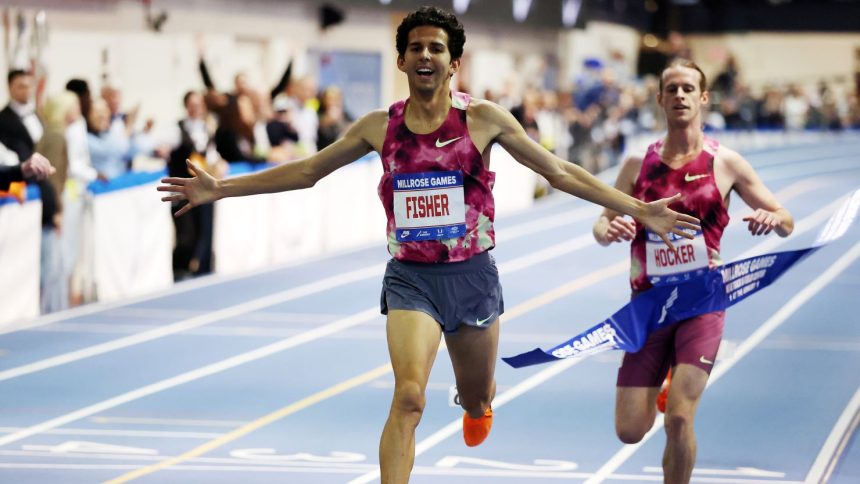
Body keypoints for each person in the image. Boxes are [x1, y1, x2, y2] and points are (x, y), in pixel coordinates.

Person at [158, 7, 698, 483]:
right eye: (415, 47)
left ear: (452, 62)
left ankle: (477, 405)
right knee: (409, 397)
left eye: (436, 48)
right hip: (410, 279)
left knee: (479, 393)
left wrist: (639, 209)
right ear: (401, 61)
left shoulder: (481, 119)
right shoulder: (379, 127)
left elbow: (558, 172)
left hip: (473, 279)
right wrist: (220, 188)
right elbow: (308, 171)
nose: (425, 54)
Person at [592, 59, 794, 484]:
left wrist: (774, 220)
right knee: (629, 431)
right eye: (672, 89)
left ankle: (678, 387)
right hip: (648, 305)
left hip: (703, 301)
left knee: (679, 421)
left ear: (702, 97)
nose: (680, 96)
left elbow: (786, 217)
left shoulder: (726, 163)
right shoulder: (637, 164)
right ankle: (668, 374)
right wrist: (610, 228)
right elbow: (599, 223)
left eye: (688, 89)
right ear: (661, 99)